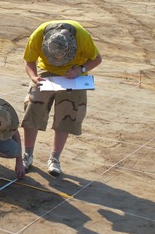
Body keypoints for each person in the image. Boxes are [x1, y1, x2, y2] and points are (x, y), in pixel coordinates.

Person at [21, 20, 102, 177]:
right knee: (33, 107)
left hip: (74, 74)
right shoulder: (38, 35)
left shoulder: (82, 36)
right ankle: (27, 155)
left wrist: (81, 70)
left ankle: (54, 159)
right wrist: (34, 77)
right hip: (46, 73)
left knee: (67, 114)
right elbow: (29, 60)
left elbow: (97, 59)